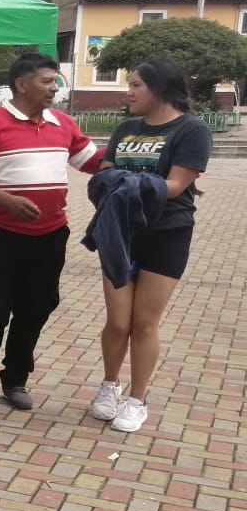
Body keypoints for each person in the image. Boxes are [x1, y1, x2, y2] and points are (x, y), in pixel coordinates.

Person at [0, 54, 102, 411]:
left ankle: (15, 379)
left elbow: (93, 162)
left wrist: (135, 151)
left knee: (35, 308)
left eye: (56, 82)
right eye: (48, 81)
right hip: (1, 233)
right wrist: (8, 202)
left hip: (50, 235)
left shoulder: (63, 123)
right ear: (22, 84)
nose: (54, 88)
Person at [87, 57, 210, 433]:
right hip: (120, 232)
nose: (128, 92)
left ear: (159, 88)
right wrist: (122, 181)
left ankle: (136, 400)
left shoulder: (191, 130)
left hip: (167, 234)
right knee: (117, 321)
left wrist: (126, 181)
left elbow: (175, 186)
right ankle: (110, 386)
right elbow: (104, 174)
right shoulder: (126, 128)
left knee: (143, 323)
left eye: (136, 85)